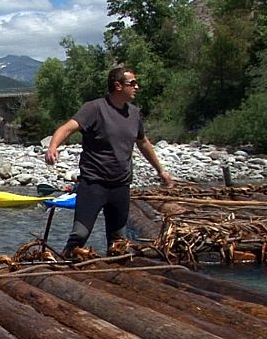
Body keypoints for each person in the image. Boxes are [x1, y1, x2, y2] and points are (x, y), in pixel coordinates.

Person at [45, 67, 173, 258]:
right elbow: (67, 128)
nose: (137, 87)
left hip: (120, 186)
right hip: (93, 184)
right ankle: (63, 265)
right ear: (118, 86)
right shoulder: (94, 108)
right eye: (132, 83)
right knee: (80, 234)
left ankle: (115, 272)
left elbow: (143, 143)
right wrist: (53, 147)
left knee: (118, 242)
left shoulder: (134, 113)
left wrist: (161, 170)